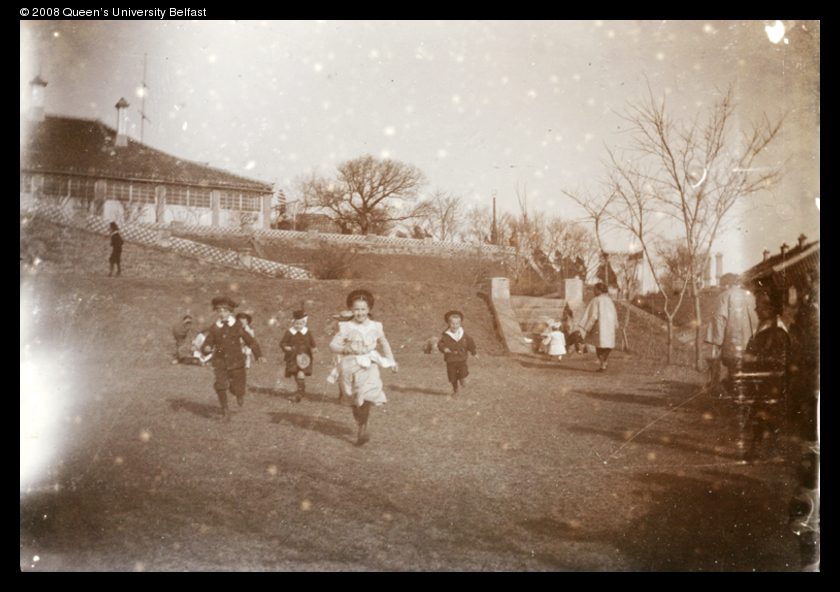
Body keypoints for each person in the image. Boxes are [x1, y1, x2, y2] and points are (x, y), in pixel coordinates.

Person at [329, 289, 397, 446]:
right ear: (351, 309)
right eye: (356, 309)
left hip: (369, 364)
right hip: (349, 365)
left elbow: (384, 344)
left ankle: (362, 430)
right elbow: (332, 345)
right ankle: (360, 422)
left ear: (369, 309)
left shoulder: (376, 326)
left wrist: (391, 361)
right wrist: (344, 349)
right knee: (354, 399)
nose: (360, 313)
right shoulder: (346, 326)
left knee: (367, 392)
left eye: (363, 309)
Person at [202, 296, 265, 421]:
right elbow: (207, 342)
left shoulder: (237, 326)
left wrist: (258, 355)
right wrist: (206, 348)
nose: (222, 314)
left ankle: (239, 394)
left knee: (237, 387)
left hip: (236, 362)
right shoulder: (214, 328)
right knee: (220, 385)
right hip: (220, 361)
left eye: (225, 311)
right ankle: (225, 412)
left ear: (230, 312)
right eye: (219, 311)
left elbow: (250, 341)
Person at [705, 273, 758, 387]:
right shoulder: (750, 295)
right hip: (751, 339)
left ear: (726, 284)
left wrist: (718, 340)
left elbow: (719, 318)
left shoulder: (725, 296)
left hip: (732, 339)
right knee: (746, 369)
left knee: (733, 369)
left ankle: (734, 392)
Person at [579, 282, 619, 371]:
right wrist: (615, 323)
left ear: (599, 290)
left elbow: (593, 315)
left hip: (600, 326)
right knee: (607, 345)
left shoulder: (596, 300)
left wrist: (587, 327)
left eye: (595, 289)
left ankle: (603, 364)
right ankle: (604, 362)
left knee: (600, 345)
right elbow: (614, 313)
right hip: (609, 326)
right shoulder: (609, 300)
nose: (594, 291)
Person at [279, 310, 318, 402]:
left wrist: (314, 348)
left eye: (300, 324)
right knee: (296, 374)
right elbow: (282, 343)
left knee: (301, 373)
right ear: (293, 323)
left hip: (305, 357)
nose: (298, 326)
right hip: (293, 357)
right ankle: (301, 389)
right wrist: (286, 347)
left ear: (304, 323)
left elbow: (312, 342)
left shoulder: (307, 332)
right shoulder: (289, 332)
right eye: (296, 324)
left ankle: (299, 393)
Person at [437, 310, 478, 395]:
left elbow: (470, 343)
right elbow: (440, 344)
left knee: (464, 371)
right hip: (451, 359)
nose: (454, 326)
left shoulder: (463, 334)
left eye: (457, 324)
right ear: (449, 324)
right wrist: (444, 348)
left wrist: (474, 352)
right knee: (452, 376)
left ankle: (462, 378)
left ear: (460, 324)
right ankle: (455, 390)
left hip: (461, 357)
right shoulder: (446, 335)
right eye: (452, 324)